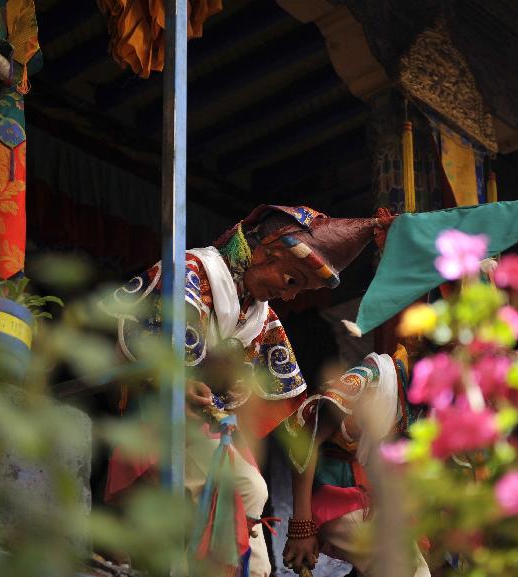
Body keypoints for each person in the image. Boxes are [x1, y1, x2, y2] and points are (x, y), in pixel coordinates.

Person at [100, 205, 392, 577]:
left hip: (206, 430)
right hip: (157, 419)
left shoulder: (261, 317)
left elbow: (296, 414)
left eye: (300, 289)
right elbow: (136, 340)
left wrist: (301, 521)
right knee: (244, 488)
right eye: (293, 280)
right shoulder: (191, 273)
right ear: (267, 252)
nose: (289, 297)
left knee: (252, 520)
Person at [281, 343, 430, 577]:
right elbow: (306, 440)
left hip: (371, 497)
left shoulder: (425, 399)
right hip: (330, 498)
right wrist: (301, 526)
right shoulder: (369, 378)